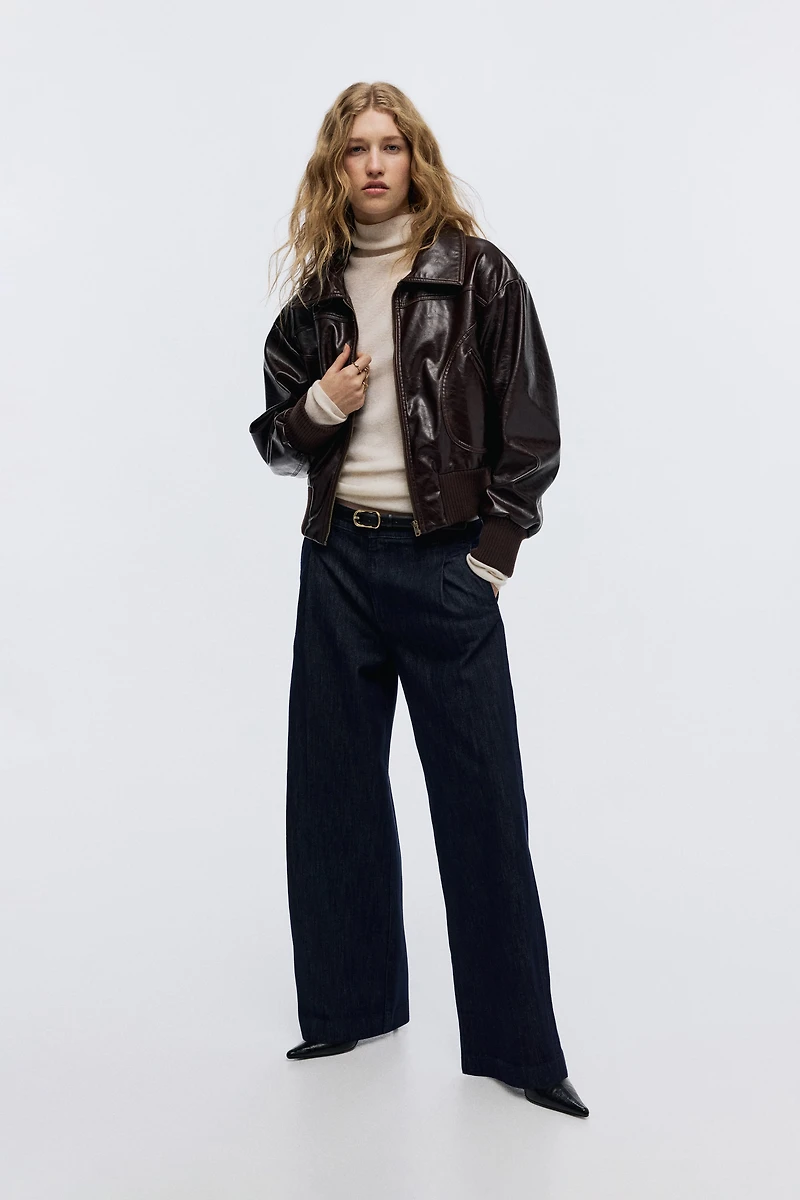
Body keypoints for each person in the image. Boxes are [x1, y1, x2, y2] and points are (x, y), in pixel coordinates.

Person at [249, 81, 589, 1119]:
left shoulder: (476, 275)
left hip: (445, 566)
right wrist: (323, 403)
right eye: (355, 148)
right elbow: (275, 438)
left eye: (390, 145)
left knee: (482, 807)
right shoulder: (315, 296)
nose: (373, 163)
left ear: (416, 158)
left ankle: (519, 1049)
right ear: (334, 166)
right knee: (333, 799)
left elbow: (530, 427)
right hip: (337, 566)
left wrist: (491, 556)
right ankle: (350, 1006)